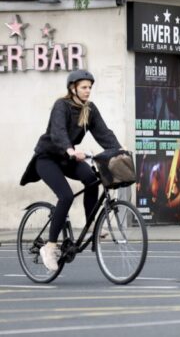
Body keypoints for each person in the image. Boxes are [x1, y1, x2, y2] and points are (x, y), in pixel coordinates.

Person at [19, 70, 122, 272]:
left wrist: (119, 149)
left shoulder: (89, 109)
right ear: (73, 88)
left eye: (90, 87)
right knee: (65, 196)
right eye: (84, 87)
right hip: (47, 158)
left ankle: (91, 225)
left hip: (68, 158)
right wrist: (70, 149)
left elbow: (104, 133)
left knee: (92, 180)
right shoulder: (61, 106)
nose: (88, 91)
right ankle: (49, 247)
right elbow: (58, 132)